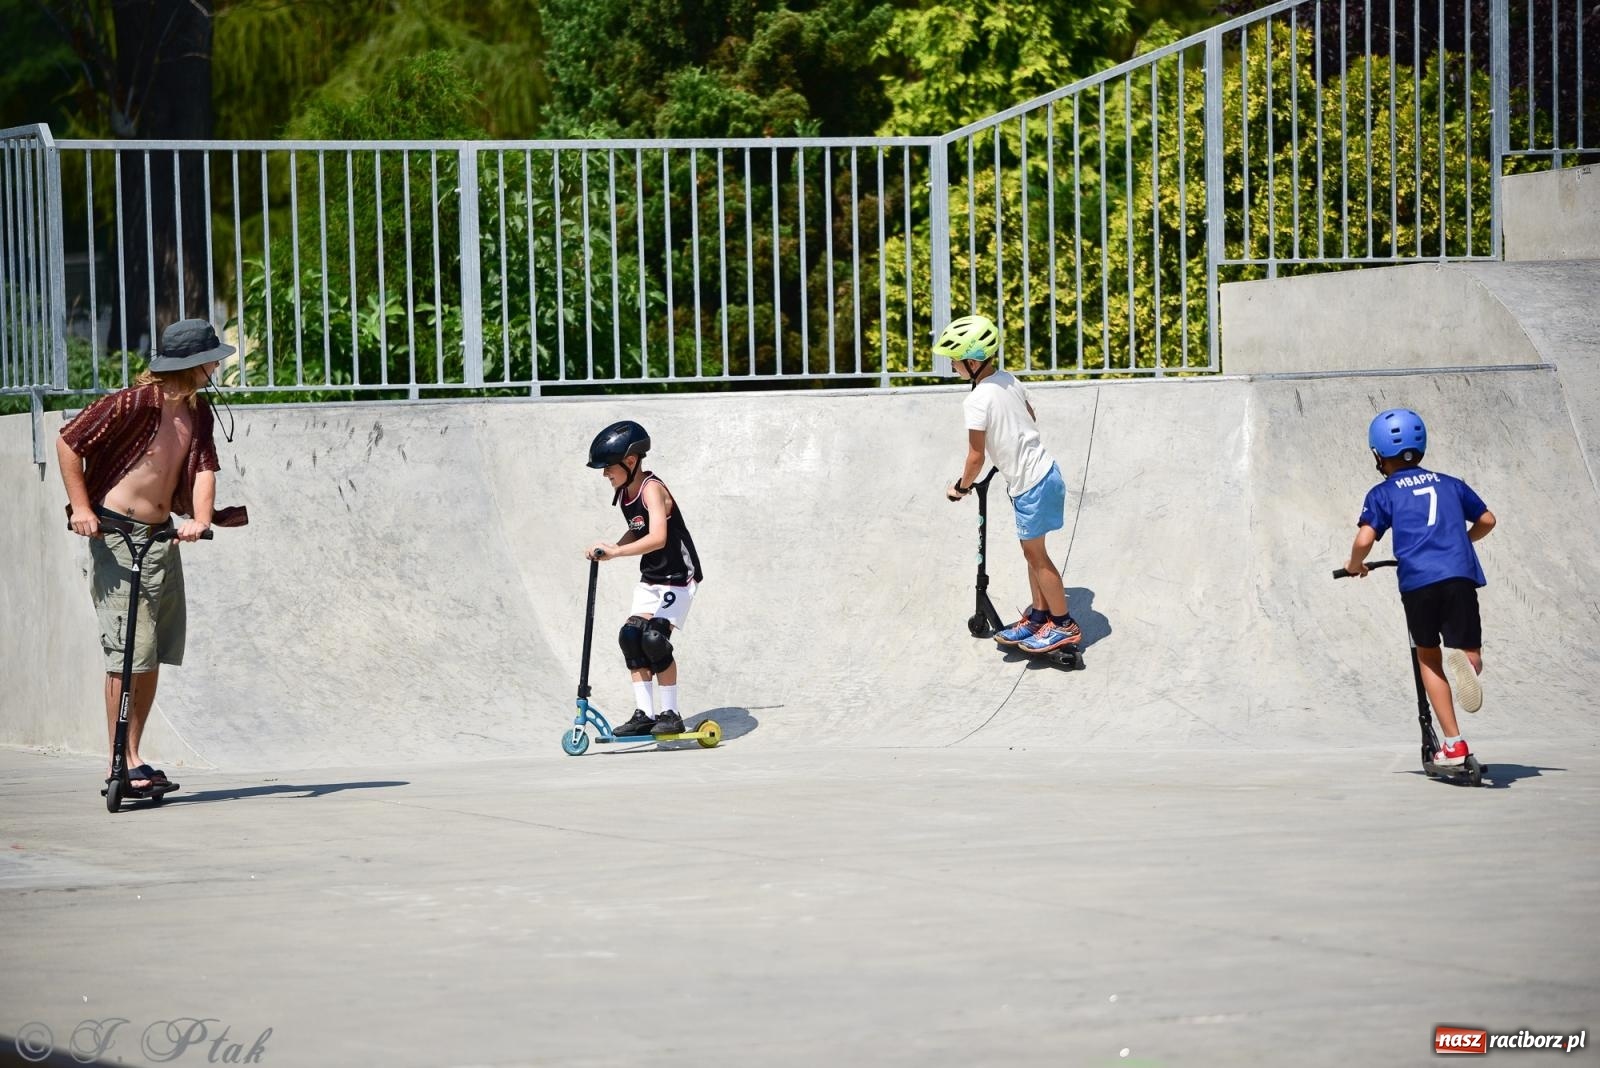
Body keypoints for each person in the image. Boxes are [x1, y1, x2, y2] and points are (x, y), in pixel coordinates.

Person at [57, 318, 241, 791]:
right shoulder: (134, 401)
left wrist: (200, 520)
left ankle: (133, 755)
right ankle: (120, 760)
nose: (217, 365)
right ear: (192, 364)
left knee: (151, 650)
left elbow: (203, 467)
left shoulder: (197, 412)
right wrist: (81, 507)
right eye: (212, 359)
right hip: (116, 534)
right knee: (127, 651)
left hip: (160, 537)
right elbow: (68, 440)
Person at [1344, 408, 1495, 766]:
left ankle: (1454, 744)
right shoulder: (1450, 483)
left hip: (1418, 582)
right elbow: (1488, 519)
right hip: (1459, 575)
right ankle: (1469, 667)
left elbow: (1365, 538)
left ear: (1379, 455)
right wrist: (1463, 540)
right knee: (1467, 650)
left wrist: (1355, 566)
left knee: (1428, 655)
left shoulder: (1383, 492)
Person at [939, 314, 1080, 656]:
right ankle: (1039, 615)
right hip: (1044, 473)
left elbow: (975, 457)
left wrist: (960, 486)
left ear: (973, 362)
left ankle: (1063, 626)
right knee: (1032, 555)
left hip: (1030, 483)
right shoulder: (1007, 379)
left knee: (1038, 558)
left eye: (954, 361)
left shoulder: (975, 400)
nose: (952, 366)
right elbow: (1029, 415)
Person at [584, 420, 704, 736]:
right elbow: (637, 529)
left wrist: (617, 554)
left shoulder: (652, 489)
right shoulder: (625, 492)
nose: (605, 473)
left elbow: (657, 538)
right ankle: (645, 715)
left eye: (609, 466)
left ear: (631, 461)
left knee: (654, 640)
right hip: (652, 577)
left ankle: (671, 713)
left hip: (678, 577)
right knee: (631, 636)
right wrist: (612, 545)